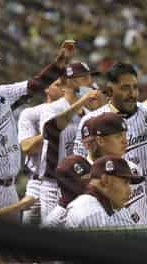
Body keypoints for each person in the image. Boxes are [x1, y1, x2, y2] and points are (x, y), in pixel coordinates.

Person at [0, 39, 74, 219]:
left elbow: (34, 85)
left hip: (11, 189)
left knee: (11, 246)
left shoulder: (1, 94)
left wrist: (57, 65)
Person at [74, 62, 147, 221]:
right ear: (110, 90)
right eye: (125, 88)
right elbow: (80, 167)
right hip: (119, 203)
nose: (132, 93)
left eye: (135, 87)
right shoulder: (90, 121)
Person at [38, 62, 101, 223]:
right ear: (70, 81)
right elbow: (50, 130)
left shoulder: (89, 113)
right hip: (54, 184)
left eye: (90, 76)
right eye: (85, 77)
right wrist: (81, 102)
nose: (90, 81)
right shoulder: (52, 108)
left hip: (80, 182)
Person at [80, 112, 147, 224]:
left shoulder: (133, 168)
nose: (125, 141)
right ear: (100, 141)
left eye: (125, 135)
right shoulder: (86, 178)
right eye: (118, 136)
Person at [18, 78, 64, 225]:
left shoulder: (76, 113)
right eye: (57, 85)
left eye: (65, 85)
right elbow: (27, 148)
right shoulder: (31, 113)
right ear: (46, 88)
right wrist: (52, 129)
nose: (63, 88)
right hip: (36, 183)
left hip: (64, 183)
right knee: (24, 238)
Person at [64, 155, 144, 229]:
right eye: (125, 183)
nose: (129, 191)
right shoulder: (91, 214)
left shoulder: (114, 208)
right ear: (105, 180)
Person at [42, 155, 91, 228]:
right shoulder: (53, 223)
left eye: (90, 179)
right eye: (84, 182)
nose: (91, 184)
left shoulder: (96, 206)